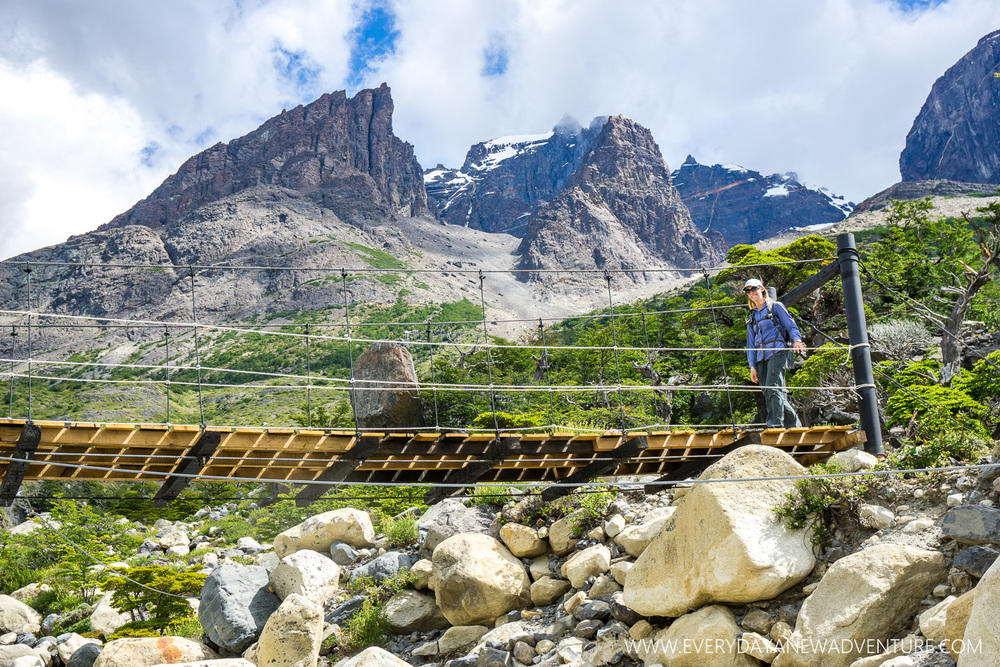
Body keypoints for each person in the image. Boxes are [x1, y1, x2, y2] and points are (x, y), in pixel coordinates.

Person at [744, 278, 806, 428]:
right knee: (768, 391)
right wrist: (752, 366)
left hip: (777, 351)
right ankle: (794, 425)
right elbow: (750, 344)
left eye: (754, 289)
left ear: (762, 289)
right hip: (760, 356)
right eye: (748, 291)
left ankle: (774, 425)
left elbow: (790, 325)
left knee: (773, 387)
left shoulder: (775, 306)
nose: (752, 293)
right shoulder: (751, 316)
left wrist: (797, 340)